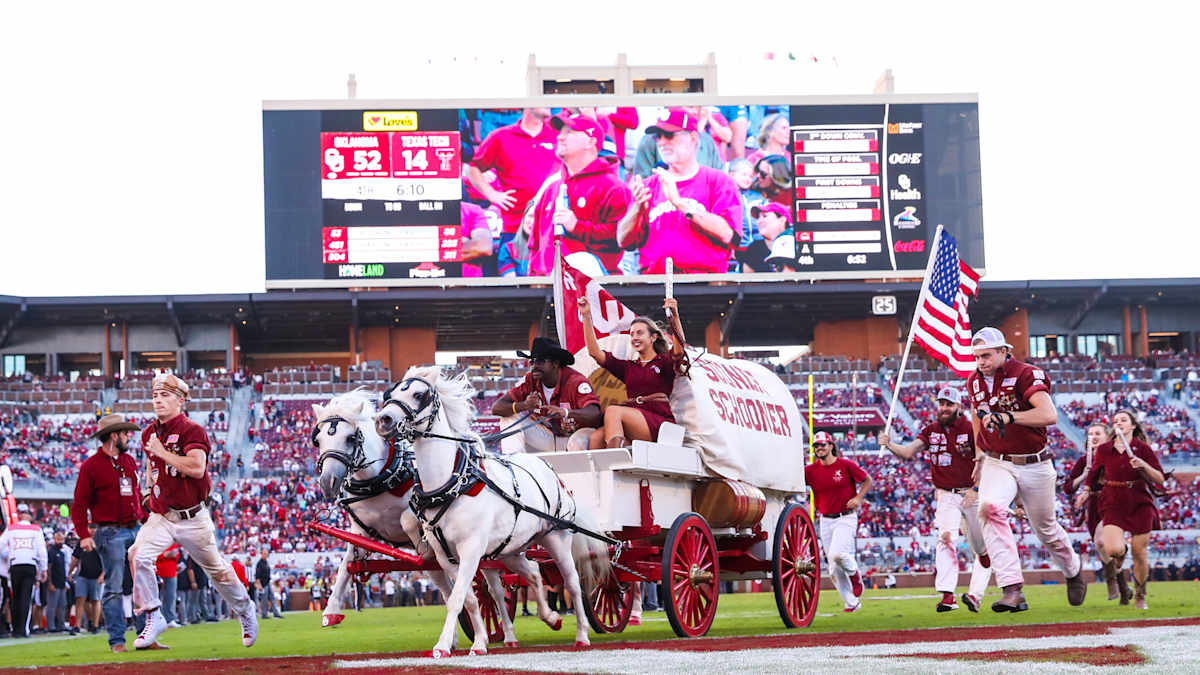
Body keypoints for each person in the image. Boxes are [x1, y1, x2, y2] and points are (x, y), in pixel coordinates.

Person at [129, 373, 257, 649]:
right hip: (162, 515)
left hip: (192, 516)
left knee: (218, 571)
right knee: (137, 555)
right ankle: (154, 615)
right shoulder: (149, 433)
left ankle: (245, 610)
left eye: (164, 395)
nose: (158, 401)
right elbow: (152, 467)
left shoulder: (193, 430)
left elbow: (197, 469)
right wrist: (149, 490)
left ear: (181, 400)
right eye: (154, 396)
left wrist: (163, 453)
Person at [966, 327, 1086, 612]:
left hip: (1035, 463)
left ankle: (1072, 570)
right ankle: (1012, 589)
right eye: (977, 356)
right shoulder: (974, 380)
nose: (981, 362)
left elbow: (1049, 415)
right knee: (990, 508)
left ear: (1004, 351)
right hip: (998, 460)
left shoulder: (1027, 373)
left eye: (986, 355)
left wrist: (1008, 417)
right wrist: (979, 453)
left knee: (1046, 530)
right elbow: (976, 413)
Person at [880, 386, 993, 613]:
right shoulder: (931, 430)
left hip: (971, 493)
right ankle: (947, 596)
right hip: (946, 494)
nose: (944, 408)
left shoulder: (971, 428)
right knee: (946, 537)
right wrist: (889, 444)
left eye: (949, 404)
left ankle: (976, 590)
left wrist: (977, 488)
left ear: (958, 406)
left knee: (982, 548)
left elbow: (986, 460)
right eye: (941, 403)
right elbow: (909, 452)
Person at [618, 108, 742, 274]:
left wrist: (679, 203)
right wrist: (637, 209)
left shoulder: (718, 181)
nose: (662, 142)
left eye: (669, 136)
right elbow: (623, 241)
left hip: (704, 285)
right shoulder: (649, 185)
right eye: (658, 137)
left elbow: (729, 235)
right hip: (655, 284)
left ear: (693, 138)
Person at [1078, 409, 1167, 610]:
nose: (1118, 423)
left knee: (1140, 553)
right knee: (1113, 549)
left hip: (1139, 500)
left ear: (1132, 426)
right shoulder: (1105, 450)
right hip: (1113, 500)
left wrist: (1142, 464)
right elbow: (1093, 473)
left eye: (1123, 420)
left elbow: (1160, 478)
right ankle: (1122, 552)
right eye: (1115, 420)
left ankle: (1140, 594)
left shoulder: (1142, 449)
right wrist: (1085, 490)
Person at [70, 412, 144, 652]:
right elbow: (79, 505)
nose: (128, 437)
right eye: (125, 433)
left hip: (135, 528)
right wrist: (83, 535)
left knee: (143, 584)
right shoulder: (90, 467)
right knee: (114, 586)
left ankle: (146, 635)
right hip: (109, 532)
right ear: (114, 436)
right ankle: (117, 641)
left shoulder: (129, 461)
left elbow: (136, 494)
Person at [527, 114, 632, 277]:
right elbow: (535, 245)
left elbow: (621, 237)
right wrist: (534, 278)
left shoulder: (613, 188)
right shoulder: (551, 189)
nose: (560, 137)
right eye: (560, 132)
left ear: (590, 141)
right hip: (549, 291)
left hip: (593, 290)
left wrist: (577, 227)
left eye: (569, 132)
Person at [579, 296, 686, 448]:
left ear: (653, 337)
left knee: (613, 411)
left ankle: (614, 458)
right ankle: (604, 471)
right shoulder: (629, 367)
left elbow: (679, 351)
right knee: (596, 437)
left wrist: (674, 316)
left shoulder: (664, 362)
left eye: (639, 333)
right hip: (633, 420)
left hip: (659, 422)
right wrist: (586, 316)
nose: (634, 337)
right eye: (632, 334)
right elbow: (595, 353)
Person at [466, 107, 561, 277]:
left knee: (552, 289)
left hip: (552, 229)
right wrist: (492, 195)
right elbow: (474, 168)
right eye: (541, 98)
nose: (548, 103)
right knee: (517, 290)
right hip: (515, 228)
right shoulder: (501, 137)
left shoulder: (558, 135)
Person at [492, 337, 602, 453]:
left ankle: (581, 471)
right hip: (551, 438)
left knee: (577, 442)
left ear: (555, 363)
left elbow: (595, 414)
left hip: (578, 436)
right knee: (509, 417)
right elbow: (497, 408)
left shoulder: (575, 381)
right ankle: (514, 461)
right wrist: (524, 405)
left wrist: (565, 412)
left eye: (540, 361)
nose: (534, 366)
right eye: (532, 361)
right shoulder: (531, 380)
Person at [1064, 422, 1132, 604]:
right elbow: (1068, 488)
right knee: (1102, 546)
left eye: (1097, 433)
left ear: (1108, 437)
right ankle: (1123, 586)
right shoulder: (1084, 460)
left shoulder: (1115, 457)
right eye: (1090, 433)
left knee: (1102, 541)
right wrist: (1083, 476)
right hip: (1093, 506)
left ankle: (1112, 584)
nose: (1093, 436)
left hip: (1112, 500)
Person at [804, 432, 872, 613]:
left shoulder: (845, 465)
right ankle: (852, 603)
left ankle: (854, 574)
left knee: (837, 554)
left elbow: (867, 480)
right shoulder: (810, 471)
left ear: (831, 446)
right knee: (833, 569)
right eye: (816, 446)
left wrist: (858, 497)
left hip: (846, 517)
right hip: (825, 519)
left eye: (823, 445)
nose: (819, 448)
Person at [0, 504, 47, 638]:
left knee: (16, 598)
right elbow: (42, 550)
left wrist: (9, 555)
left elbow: (1, 545)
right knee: (26, 598)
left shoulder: (11, 529)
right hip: (29, 564)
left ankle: (16, 629)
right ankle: (23, 630)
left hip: (15, 564)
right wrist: (43, 569)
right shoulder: (36, 530)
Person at [740, 203, 796, 273]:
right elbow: (747, 280)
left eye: (764, 216)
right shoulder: (754, 249)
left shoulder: (797, 244)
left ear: (782, 220)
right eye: (758, 218)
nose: (759, 221)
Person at [69, 536, 103, 634]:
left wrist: (103, 574)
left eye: (94, 528)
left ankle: (95, 625)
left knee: (95, 600)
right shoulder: (82, 541)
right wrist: (70, 571)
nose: (92, 530)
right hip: (82, 574)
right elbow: (75, 558)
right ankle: (77, 626)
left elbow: (106, 559)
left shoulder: (100, 541)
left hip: (97, 575)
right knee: (80, 599)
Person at [44, 531, 68, 632]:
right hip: (54, 582)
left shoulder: (62, 553)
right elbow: (49, 568)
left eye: (61, 540)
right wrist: (50, 583)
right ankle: (51, 626)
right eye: (58, 539)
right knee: (52, 606)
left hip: (62, 583)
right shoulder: (51, 552)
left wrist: (65, 582)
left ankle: (61, 625)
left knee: (62, 605)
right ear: (54, 540)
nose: (60, 542)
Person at [156, 542, 181, 627]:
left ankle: (170, 619)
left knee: (171, 596)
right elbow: (154, 556)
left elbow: (176, 555)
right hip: (159, 572)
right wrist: (164, 555)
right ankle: (159, 620)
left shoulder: (173, 542)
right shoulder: (157, 541)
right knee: (158, 597)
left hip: (171, 572)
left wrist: (165, 555)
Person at [255, 548, 279, 619]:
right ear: (261, 554)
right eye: (264, 553)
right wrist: (259, 585)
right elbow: (257, 575)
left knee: (272, 598)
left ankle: (276, 613)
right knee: (264, 600)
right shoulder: (259, 563)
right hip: (263, 584)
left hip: (268, 582)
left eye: (266, 554)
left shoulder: (266, 562)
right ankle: (264, 614)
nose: (266, 555)